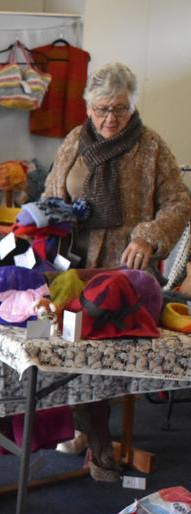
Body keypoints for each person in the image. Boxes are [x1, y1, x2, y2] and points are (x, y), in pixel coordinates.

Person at [43, 62, 191, 480]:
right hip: (73, 261)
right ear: (88, 107)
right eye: (102, 109)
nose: (110, 119)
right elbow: (51, 191)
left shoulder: (150, 147)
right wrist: (52, 214)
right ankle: (84, 429)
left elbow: (179, 203)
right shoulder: (74, 141)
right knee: (67, 347)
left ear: (132, 107)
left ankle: (99, 442)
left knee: (101, 355)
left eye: (120, 110)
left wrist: (147, 237)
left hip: (123, 271)